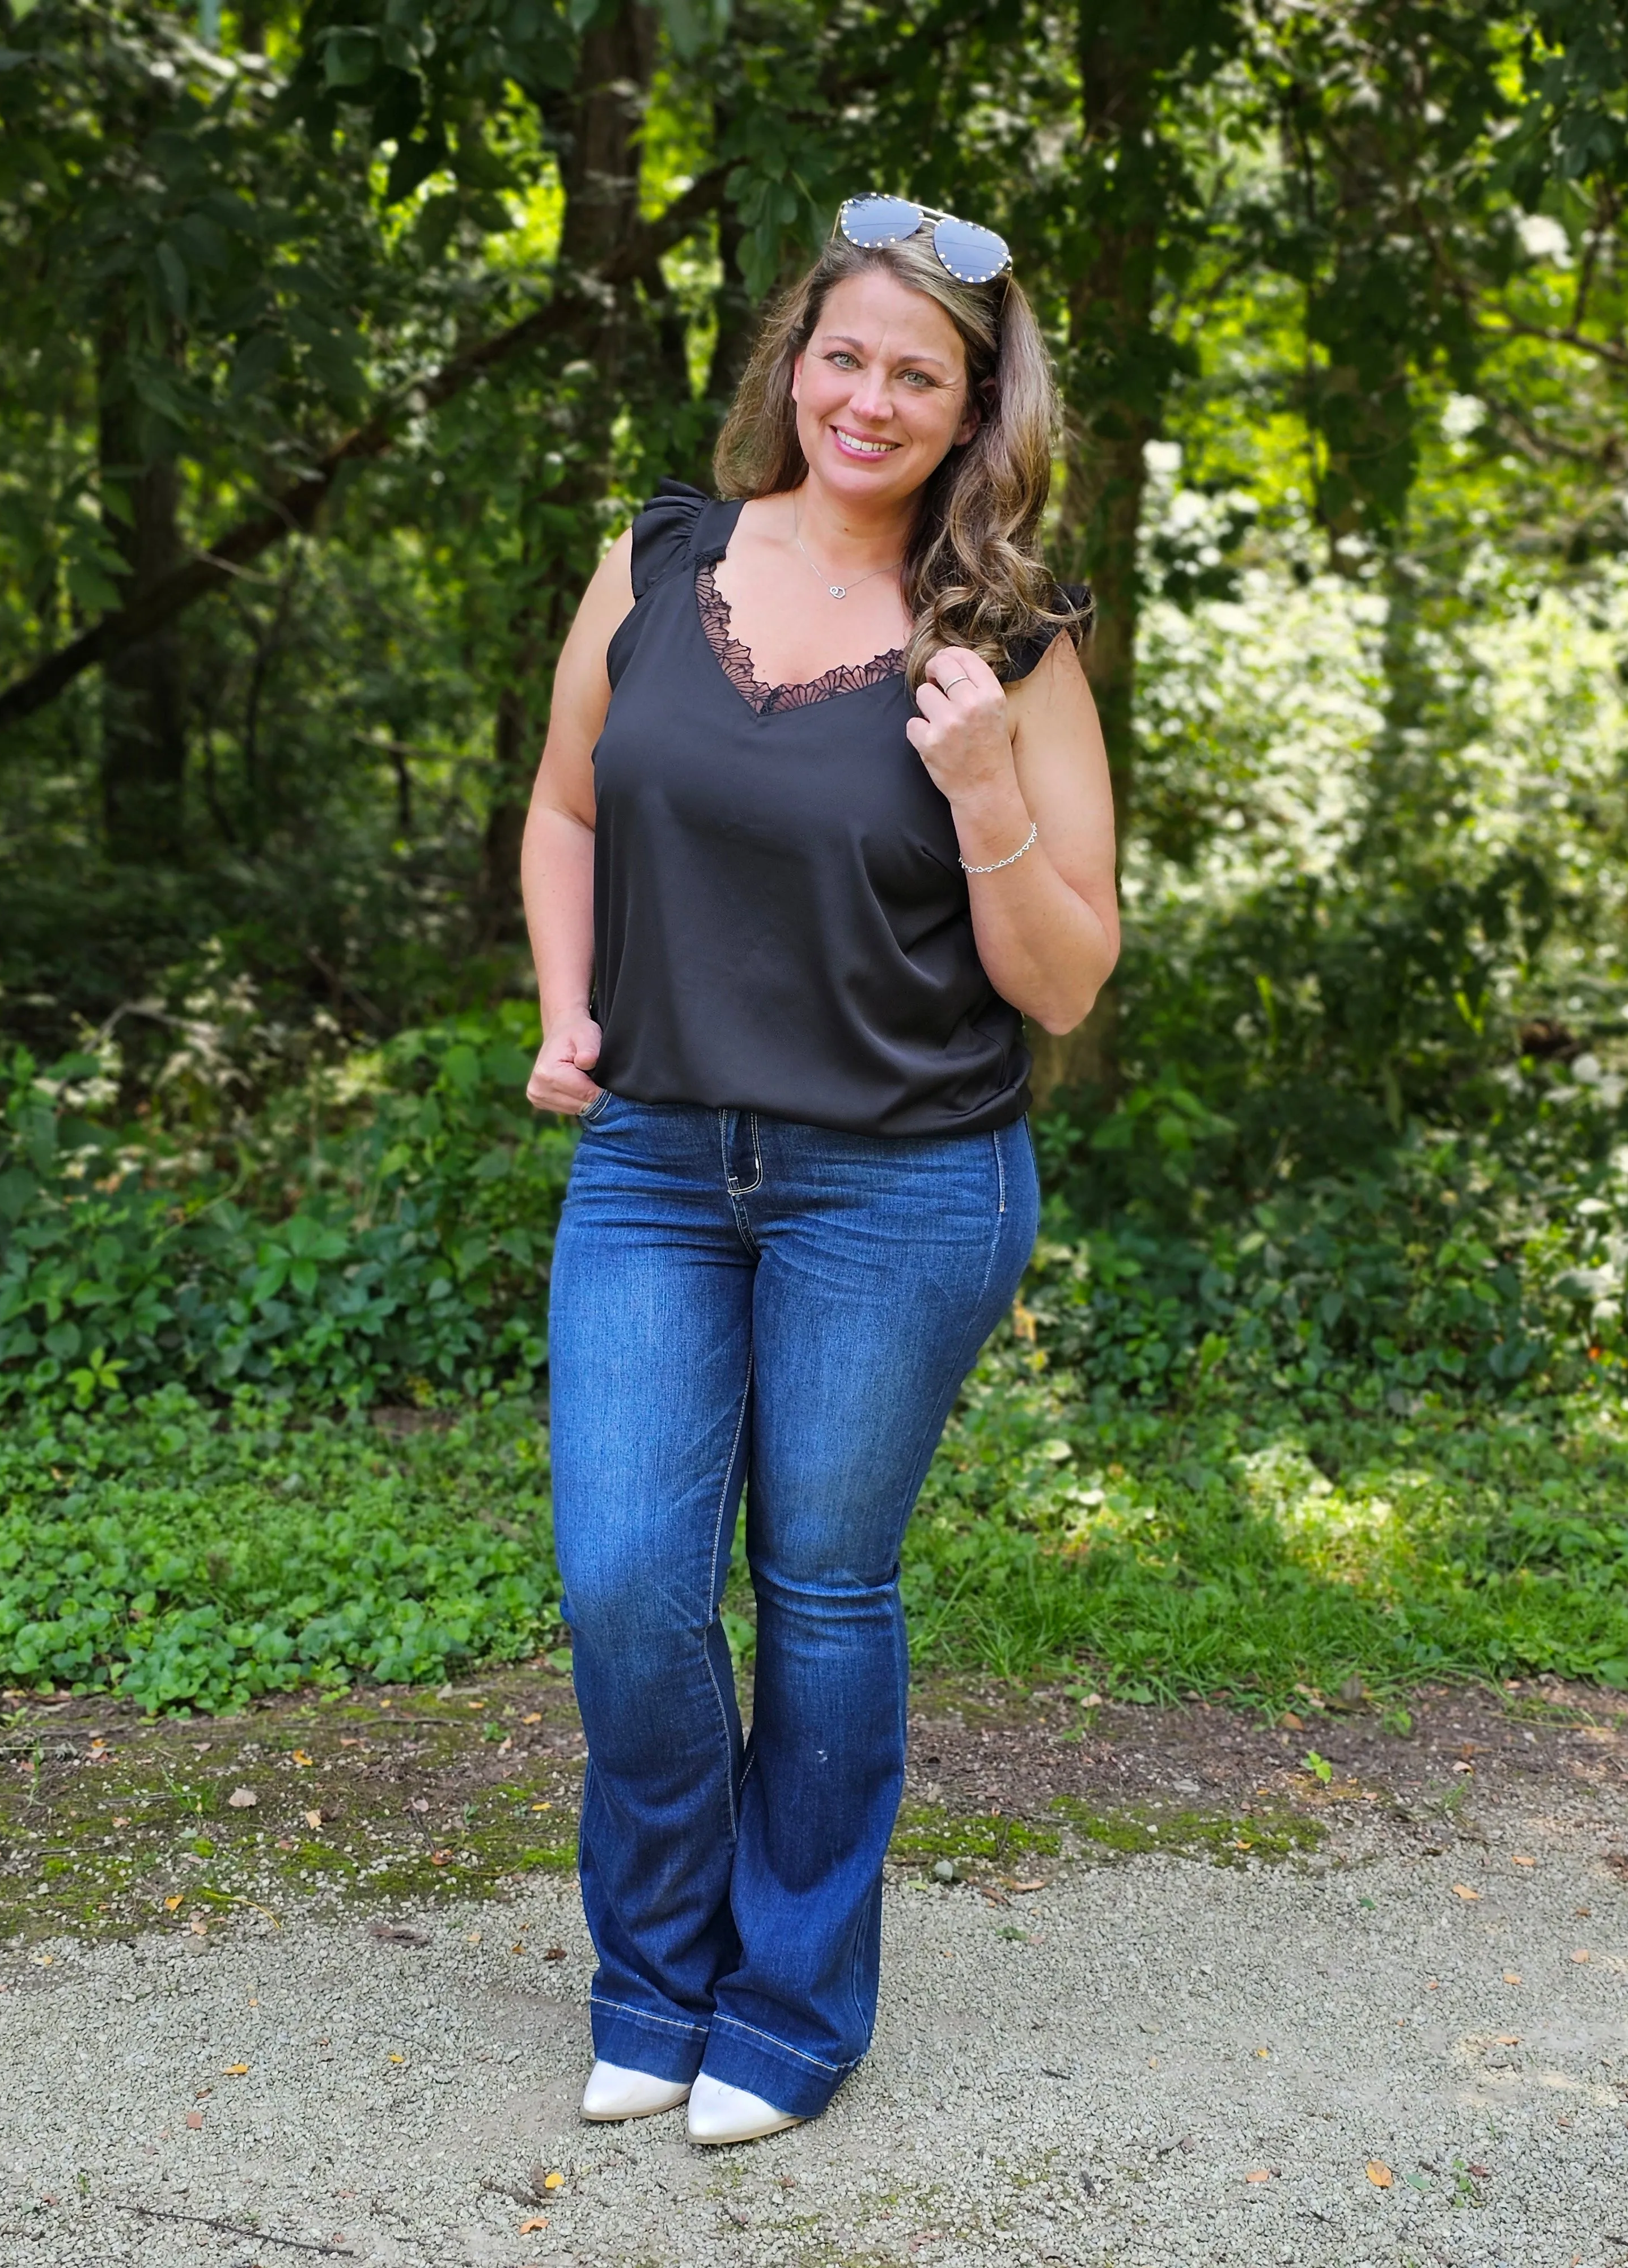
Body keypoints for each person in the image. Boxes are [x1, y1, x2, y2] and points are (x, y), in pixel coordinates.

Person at [521, 193, 1118, 2148]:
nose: (868, 397)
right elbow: (561, 801)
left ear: (969, 416)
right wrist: (563, 1007)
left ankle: (784, 2014)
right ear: (794, 363)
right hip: (657, 1162)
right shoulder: (658, 557)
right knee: (625, 1583)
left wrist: (980, 796)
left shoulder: (1005, 641)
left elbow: (1063, 980)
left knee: (824, 1590)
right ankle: (655, 1976)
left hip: (901, 1186)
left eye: (916, 375)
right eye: (844, 354)